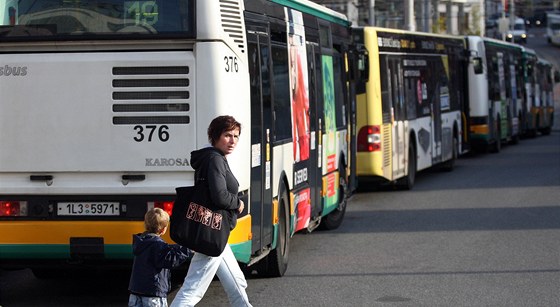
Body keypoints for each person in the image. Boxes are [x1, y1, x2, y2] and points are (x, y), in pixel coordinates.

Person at [170, 115, 252, 307]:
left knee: (237, 283)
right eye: (227, 135)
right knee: (192, 291)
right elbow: (219, 196)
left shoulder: (215, 158)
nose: (233, 141)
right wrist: (237, 203)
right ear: (215, 136)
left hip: (217, 232)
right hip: (211, 231)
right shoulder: (214, 159)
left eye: (236, 136)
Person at [128, 208, 192, 307]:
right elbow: (171, 259)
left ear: (145, 224)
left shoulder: (140, 242)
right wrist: (187, 249)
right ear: (163, 229)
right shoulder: (158, 245)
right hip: (153, 293)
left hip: (135, 292)